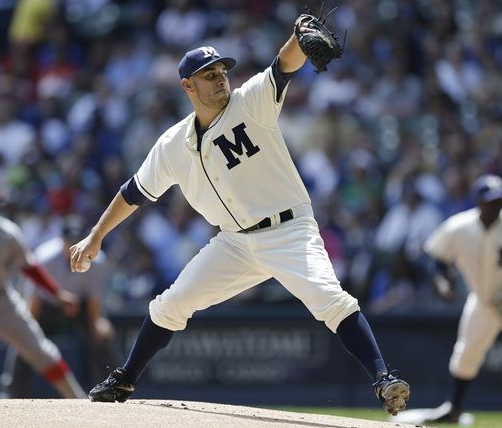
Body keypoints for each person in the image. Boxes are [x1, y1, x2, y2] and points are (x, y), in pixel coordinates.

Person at [69, 20, 410, 416]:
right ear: (187, 86)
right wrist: (96, 236)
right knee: (171, 304)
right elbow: (133, 194)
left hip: (289, 231)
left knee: (330, 300)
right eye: (209, 75)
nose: (220, 80)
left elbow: (282, 65)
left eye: (222, 72)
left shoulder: (250, 102)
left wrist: (298, 38)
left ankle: (384, 379)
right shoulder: (171, 145)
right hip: (234, 242)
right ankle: (126, 377)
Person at [421, 174, 502, 423]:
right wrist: (442, 282)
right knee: (466, 354)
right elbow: (436, 256)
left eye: (498, 201)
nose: (495, 205)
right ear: (478, 201)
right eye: (490, 201)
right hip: (484, 301)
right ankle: (454, 409)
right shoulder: (459, 227)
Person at [6, 215, 117, 395]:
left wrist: (97, 323)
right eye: (68, 241)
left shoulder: (97, 260)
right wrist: (28, 328)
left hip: (80, 305)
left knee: (101, 335)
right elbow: (34, 301)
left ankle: (109, 389)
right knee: (25, 338)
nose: (72, 246)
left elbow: (94, 303)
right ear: (61, 240)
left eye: (77, 241)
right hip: (47, 303)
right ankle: (14, 392)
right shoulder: (45, 256)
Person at [0, 215, 86, 398]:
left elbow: (29, 267)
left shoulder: (7, 233)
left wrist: (57, 294)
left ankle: (77, 400)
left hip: (3, 301)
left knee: (42, 351)